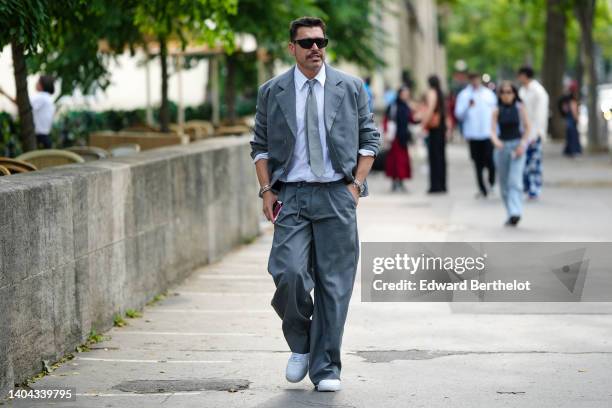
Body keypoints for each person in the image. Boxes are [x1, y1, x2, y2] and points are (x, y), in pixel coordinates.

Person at [250, 16, 379, 392]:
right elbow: (260, 146)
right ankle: (301, 342)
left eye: (320, 41)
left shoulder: (351, 87)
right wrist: (266, 191)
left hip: (337, 194)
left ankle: (326, 368)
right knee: (288, 273)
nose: (315, 49)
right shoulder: (272, 91)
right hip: (290, 194)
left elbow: (370, 139)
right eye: (306, 43)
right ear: (292, 48)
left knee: (334, 285)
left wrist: (354, 186)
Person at [490, 81, 531, 226]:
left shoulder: (520, 108)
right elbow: (493, 131)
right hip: (502, 148)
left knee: (515, 181)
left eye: (509, 92)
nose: (506, 95)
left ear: (514, 94)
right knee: (504, 184)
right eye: (503, 92)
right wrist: (496, 141)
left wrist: (522, 145)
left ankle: (516, 211)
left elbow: (527, 128)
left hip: (517, 147)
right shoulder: (496, 110)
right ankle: (510, 213)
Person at [454, 72, 497, 198]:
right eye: (472, 79)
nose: (475, 82)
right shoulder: (464, 95)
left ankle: (491, 182)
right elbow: (459, 114)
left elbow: (495, 113)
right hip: (473, 134)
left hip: (487, 133)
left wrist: (495, 132)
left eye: (476, 79)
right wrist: (468, 106)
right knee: (477, 163)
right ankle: (482, 189)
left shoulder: (488, 94)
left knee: (490, 161)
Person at [517, 66, 549, 199]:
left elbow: (540, 115)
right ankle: (527, 187)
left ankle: (534, 189)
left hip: (534, 132)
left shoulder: (538, 91)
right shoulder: (522, 91)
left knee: (534, 163)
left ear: (525, 75)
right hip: (522, 132)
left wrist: (537, 133)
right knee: (524, 162)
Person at [0, 75, 56, 149]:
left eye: (38, 81)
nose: (36, 83)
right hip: (45, 137)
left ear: (41, 85)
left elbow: (21, 103)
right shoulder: (48, 98)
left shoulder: (41, 97)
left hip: (38, 138)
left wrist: (4, 93)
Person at [383, 86, 413, 191]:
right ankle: (394, 182)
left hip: (403, 138)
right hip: (394, 138)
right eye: (405, 94)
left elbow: (411, 119)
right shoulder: (393, 106)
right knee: (395, 161)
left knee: (402, 161)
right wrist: (387, 135)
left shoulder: (406, 106)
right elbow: (387, 120)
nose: (406, 96)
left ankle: (400, 182)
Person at [421, 75, 447, 193]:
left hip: (434, 128)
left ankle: (435, 185)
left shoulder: (431, 92)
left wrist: (424, 124)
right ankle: (442, 184)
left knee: (434, 157)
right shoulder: (440, 93)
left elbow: (430, 109)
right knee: (441, 157)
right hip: (441, 127)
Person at [560, 81, 582, 157]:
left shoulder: (566, 97)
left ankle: (569, 151)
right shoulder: (572, 97)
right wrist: (577, 117)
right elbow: (574, 108)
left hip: (568, 118)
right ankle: (574, 151)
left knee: (570, 135)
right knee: (573, 135)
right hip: (572, 118)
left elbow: (564, 108)